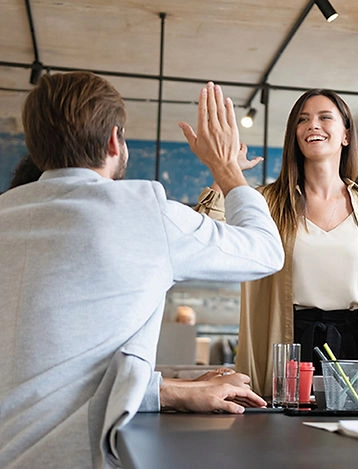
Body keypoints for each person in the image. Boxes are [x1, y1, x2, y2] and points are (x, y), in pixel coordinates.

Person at [0, 73, 284, 469]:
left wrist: (170, 390)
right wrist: (226, 170)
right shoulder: (144, 211)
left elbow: (53, 374)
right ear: (115, 141)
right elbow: (266, 252)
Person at [196, 89, 358, 398]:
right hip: (285, 341)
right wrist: (225, 171)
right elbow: (209, 232)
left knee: (347, 439)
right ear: (294, 135)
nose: (313, 125)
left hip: (350, 343)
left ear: (346, 135)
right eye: (303, 119)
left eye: (325, 117)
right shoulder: (267, 201)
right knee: (283, 438)